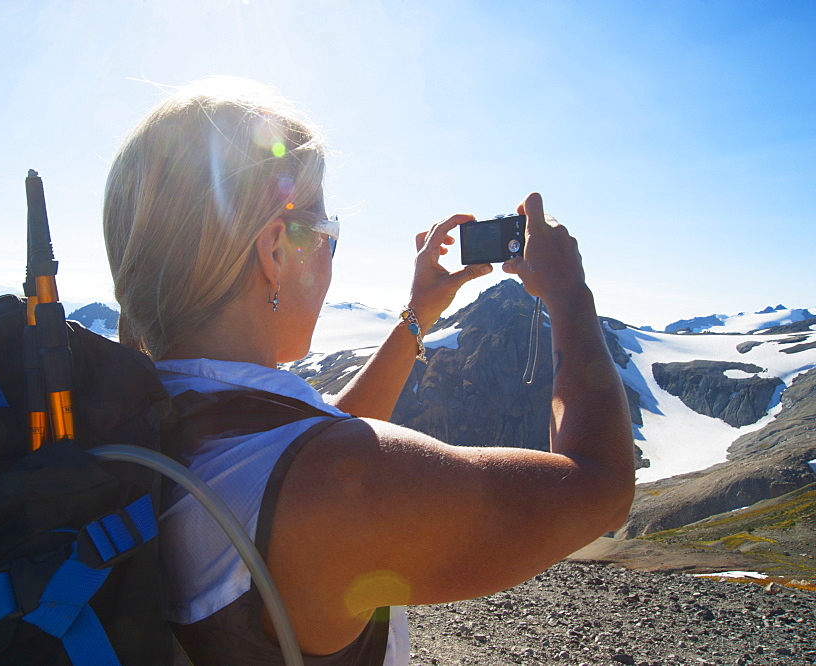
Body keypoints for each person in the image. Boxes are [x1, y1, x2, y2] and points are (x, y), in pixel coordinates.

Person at [102, 76, 634, 665]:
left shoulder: (151, 416)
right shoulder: (330, 493)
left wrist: (417, 317)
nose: (331, 258)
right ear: (274, 253)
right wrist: (568, 294)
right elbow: (602, 489)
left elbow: (312, 440)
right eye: (328, 237)